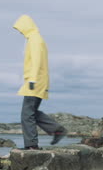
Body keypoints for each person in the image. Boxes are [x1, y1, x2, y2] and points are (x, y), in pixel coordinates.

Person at [13, 14, 67, 150]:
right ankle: (57, 130)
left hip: (35, 82)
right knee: (32, 112)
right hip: (38, 81)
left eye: (20, 29)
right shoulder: (35, 38)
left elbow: (36, 60)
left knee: (26, 114)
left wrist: (32, 79)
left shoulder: (35, 39)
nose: (20, 31)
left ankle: (31, 145)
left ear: (26, 26)